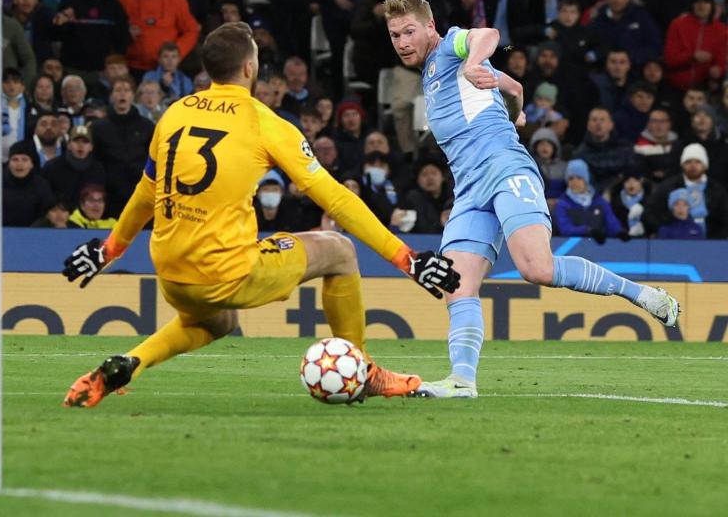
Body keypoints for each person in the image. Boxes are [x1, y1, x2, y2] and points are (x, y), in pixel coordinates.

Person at [61, 21, 460, 408]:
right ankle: (365, 371)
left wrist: (109, 249)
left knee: (218, 323)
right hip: (226, 271)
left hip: (170, 272)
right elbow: (335, 200)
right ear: (250, 68)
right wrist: (407, 259)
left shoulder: (174, 114)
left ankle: (131, 362)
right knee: (339, 250)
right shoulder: (263, 121)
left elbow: (146, 191)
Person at [383, 0, 679, 399]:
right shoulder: (433, 71)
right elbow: (515, 85)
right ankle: (462, 381)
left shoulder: (451, 44)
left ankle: (642, 294)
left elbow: (488, 34)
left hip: (505, 167)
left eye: (408, 31)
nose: (401, 42)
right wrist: (516, 110)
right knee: (456, 285)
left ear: (429, 27)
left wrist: (472, 61)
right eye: (395, 34)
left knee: (537, 269)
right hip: (469, 188)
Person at [118, 0, 200, 73]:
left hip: (166, 68)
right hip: (132, 65)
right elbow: (115, 28)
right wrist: (125, 31)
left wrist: (176, 52)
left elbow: (191, 30)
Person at [90, 76, 154, 217]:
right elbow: (94, 161)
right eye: (118, 90)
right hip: (110, 196)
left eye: (126, 90)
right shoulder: (98, 127)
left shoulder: (147, 126)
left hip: (139, 194)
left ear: (133, 95)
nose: (122, 94)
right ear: (112, 95)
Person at [53, 0, 131, 77]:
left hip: (104, 72)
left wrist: (113, 66)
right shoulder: (68, 3)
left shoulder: (114, 6)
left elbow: (122, 39)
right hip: (73, 70)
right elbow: (57, 36)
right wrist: (62, 22)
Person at [643, 143, 728, 239]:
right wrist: (665, 229)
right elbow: (650, 212)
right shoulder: (668, 187)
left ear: (705, 165)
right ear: (682, 165)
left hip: (713, 244)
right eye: (688, 162)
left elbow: (725, 218)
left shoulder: (718, 190)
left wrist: (717, 240)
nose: (693, 166)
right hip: (675, 242)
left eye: (698, 162)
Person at [553, 159, 623, 240]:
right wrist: (587, 230)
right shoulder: (562, 204)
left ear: (586, 179)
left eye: (579, 178)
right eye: (571, 178)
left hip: (598, 247)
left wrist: (619, 232)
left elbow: (611, 222)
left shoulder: (600, 202)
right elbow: (565, 229)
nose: (574, 182)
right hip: (571, 248)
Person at [41, 124, 106, 210]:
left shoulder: (98, 169)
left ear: (91, 147)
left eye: (85, 142)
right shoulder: (51, 167)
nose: (81, 146)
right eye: (76, 141)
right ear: (69, 145)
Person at [2, 141, 54, 227]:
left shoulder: (41, 186)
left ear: (32, 164)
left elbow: (46, 215)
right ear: (9, 163)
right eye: (15, 159)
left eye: (24, 159)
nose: (19, 164)